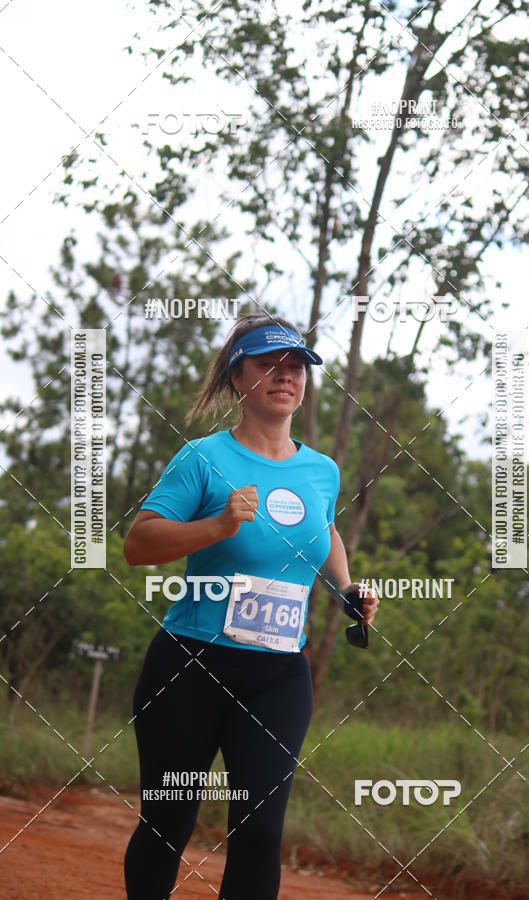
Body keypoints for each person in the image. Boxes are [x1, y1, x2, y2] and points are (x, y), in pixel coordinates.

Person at [122, 313, 379, 899]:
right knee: (169, 822)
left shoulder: (322, 470)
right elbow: (139, 544)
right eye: (269, 365)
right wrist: (217, 525)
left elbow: (327, 535)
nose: (285, 376)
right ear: (240, 379)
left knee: (260, 830)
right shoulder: (202, 459)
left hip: (278, 675)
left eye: (295, 367)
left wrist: (347, 592)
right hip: (190, 666)